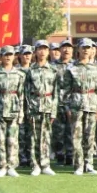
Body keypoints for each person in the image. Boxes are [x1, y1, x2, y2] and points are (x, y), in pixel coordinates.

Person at [66, 38, 97, 175]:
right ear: (78, 49)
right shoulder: (71, 68)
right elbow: (65, 90)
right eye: (83, 47)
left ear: (91, 50)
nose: (85, 50)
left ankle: (89, 164)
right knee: (76, 136)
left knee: (90, 136)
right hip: (76, 105)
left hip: (92, 105)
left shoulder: (96, 69)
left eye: (88, 48)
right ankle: (78, 165)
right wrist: (67, 107)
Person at [24, 40, 59, 176]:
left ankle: (45, 164)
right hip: (34, 106)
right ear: (35, 52)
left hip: (48, 106)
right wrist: (28, 109)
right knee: (33, 137)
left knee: (46, 137)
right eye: (40, 49)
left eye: (45, 49)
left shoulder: (53, 70)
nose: (42, 52)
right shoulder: (30, 70)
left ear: (48, 51)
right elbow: (26, 92)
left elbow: (56, 92)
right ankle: (35, 165)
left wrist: (54, 111)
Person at [0, 45, 26, 177]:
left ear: (14, 56)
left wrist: (21, 112)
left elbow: (21, 95)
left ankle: (11, 166)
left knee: (13, 140)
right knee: (0, 140)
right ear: (1, 57)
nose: (8, 57)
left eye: (10, 54)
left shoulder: (19, 74)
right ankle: (2, 166)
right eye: (5, 54)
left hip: (13, 110)